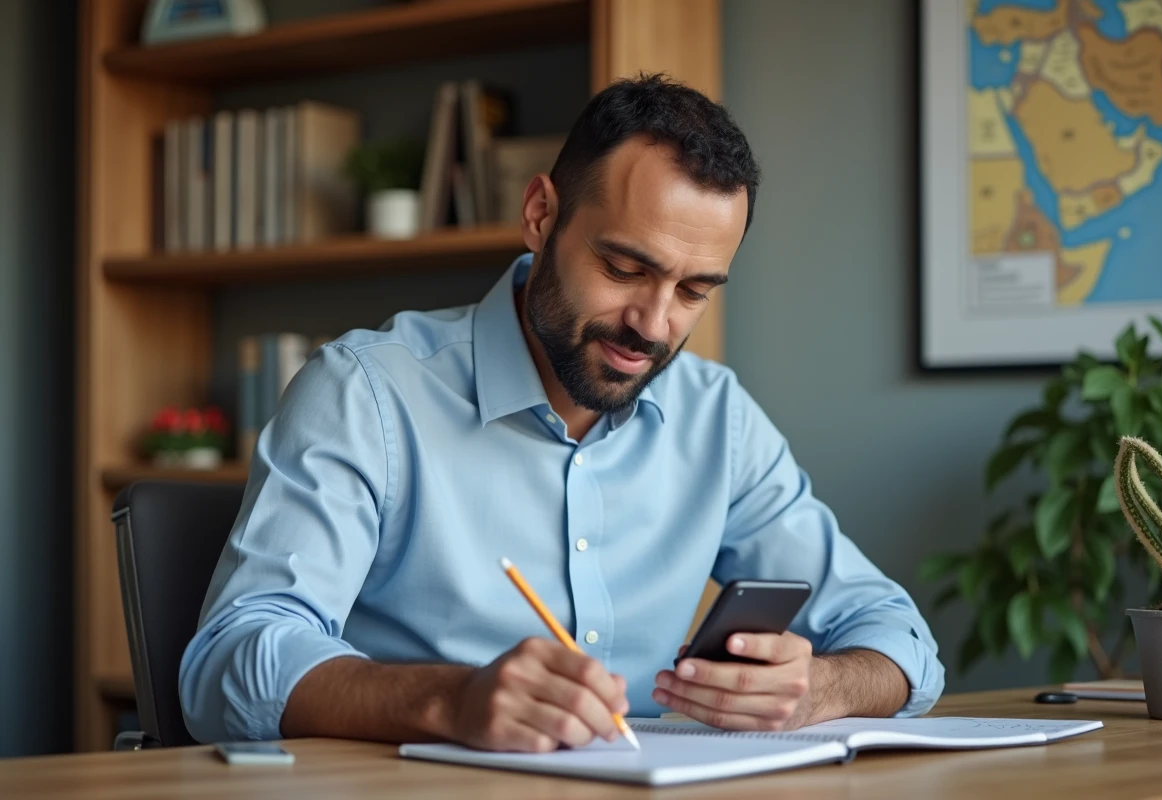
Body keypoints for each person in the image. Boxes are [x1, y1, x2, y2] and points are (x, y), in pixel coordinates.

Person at [179, 73, 944, 751]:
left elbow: (901, 639)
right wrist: (451, 700)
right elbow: (228, 663)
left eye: (694, 291)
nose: (653, 323)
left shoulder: (718, 419)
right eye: (624, 268)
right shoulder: (365, 394)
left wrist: (821, 687)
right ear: (541, 215)